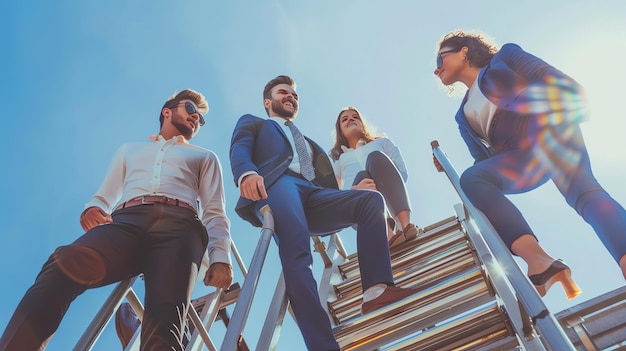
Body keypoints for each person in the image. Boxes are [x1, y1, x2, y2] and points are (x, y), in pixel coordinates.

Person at [0, 89, 233, 351]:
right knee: (62, 263)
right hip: (127, 222)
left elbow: (214, 210)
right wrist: (94, 207)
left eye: (201, 119)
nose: (196, 119)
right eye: (191, 109)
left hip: (180, 226)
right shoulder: (129, 150)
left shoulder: (205, 156)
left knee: (165, 323)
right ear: (167, 111)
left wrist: (220, 256)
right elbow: (104, 195)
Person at [432, 30, 626, 300]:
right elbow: (484, 160)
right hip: (518, 156)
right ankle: (540, 262)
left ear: (464, 51)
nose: (436, 68)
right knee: (472, 179)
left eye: (440, 57)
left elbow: (548, 76)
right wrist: (468, 171)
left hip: (543, 121)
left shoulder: (504, 58)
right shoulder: (461, 115)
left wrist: (575, 105)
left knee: (582, 193)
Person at [230, 75, 419, 350]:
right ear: (267, 101)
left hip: (313, 192)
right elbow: (239, 147)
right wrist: (245, 172)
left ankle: (376, 290)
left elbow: (330, 183)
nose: (291, 98)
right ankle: (322, 345)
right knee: (298, 254)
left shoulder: (310, 145)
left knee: (370, 202)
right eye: (284, 93)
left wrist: (350, 192)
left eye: (295, 95)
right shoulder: (255, 123)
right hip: (278, 184)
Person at [329, 106, 421, 247]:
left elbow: (402, 172)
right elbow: (334, 194)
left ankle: (406, 225)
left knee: (375, 157)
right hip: (360, 209)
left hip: (390, 201)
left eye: (355, 117)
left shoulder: (381, 143)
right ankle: (389, 235)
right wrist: (354, 191)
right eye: (345, 119)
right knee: (361, 176)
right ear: (339, 129)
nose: (351, 120)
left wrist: (380, 184)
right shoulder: (338, 160)